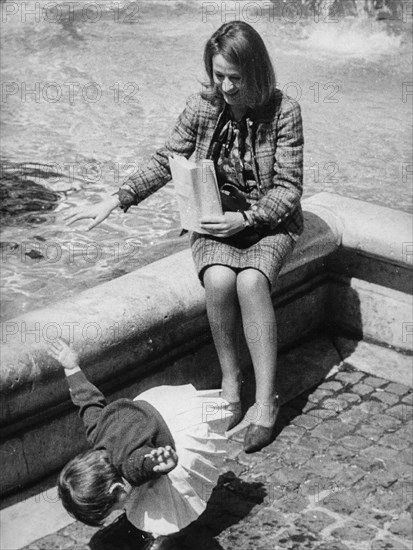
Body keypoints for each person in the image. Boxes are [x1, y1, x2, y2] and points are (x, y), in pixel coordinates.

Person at [65, 21, 304, 453]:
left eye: (236, 77)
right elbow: (166, 159)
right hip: (213, 219)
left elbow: (288, 189)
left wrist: (248, 219)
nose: (226, 87)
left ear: (256, 71)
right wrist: (117, 198)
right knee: (217, 280)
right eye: (218, 75)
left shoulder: (284, 111)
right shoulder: (203, 106)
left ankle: (266, 401)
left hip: (267, 222)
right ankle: (231, 387)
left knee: (250, 282)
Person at [49, 338, 232, 545]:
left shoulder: (131, 469)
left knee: (167, 492)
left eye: (114, 508)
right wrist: (72, 368)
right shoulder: (96, 431)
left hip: (178, 430)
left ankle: (163, 536)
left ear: (116, 489)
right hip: (156, 408)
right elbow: (88, 402)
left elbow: (141, 464)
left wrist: (162, 465)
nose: (119, 508)